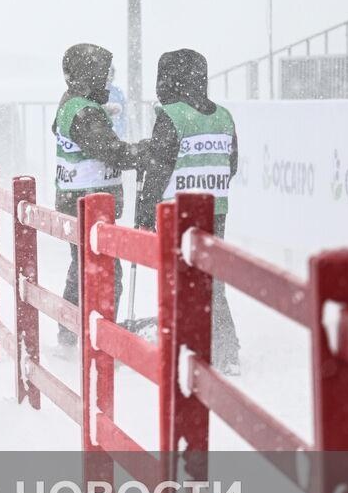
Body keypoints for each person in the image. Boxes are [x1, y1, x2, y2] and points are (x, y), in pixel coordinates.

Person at [134, 48, 241, 374]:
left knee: (180, 278)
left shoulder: (172, 116)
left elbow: (159, 167)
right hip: (215, 208)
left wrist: (145, 209)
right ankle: (225, 352)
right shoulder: (223, 116)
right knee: (211, 280)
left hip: (177, 211)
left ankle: (185, 345)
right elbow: (232, 164)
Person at [51, 44, 139, 349]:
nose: (106, 82)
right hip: (89, 202)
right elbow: (113, 151)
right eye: (102, 74)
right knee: (104, 273)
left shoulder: (73, 103)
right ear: (89, 75)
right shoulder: (85, 111)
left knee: (82, 267)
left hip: (78, 199)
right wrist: (149, 150)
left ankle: (71, 331)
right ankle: (104, 336)